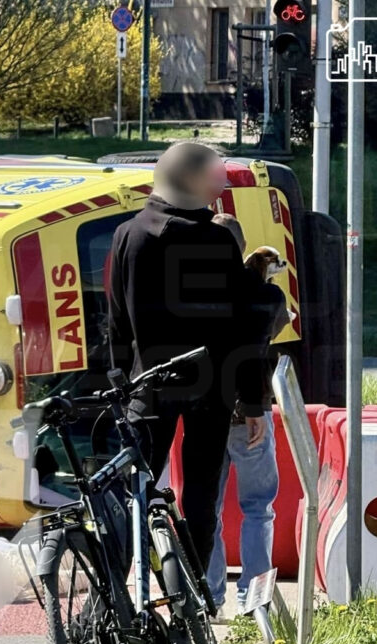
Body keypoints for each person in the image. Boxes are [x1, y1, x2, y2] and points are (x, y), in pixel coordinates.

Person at [108, 142, 265, 575]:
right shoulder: (216, 239)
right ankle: (193, 599)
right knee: (200, 499)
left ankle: (115, 597)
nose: (221, 182)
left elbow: (117, 322)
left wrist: (121, 385)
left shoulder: (129, 235)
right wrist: (253, 402)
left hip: (147, 386)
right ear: (191, 180)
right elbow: (240, 327)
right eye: (214, 174)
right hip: (210, 386)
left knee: (130, 495)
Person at [206, 214, 290, 616]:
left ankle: (210, 597)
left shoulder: (193, 290)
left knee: (208, 508)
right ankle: (254, 599)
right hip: (246, 413)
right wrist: (256, 408)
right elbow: (261, 344)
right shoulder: (264, 295)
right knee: (257, 506)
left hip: (203, 413)